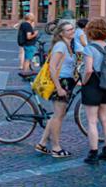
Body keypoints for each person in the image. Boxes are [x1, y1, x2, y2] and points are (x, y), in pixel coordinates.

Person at [35, 19, 78, 159]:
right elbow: (53, 68)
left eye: (73, 28)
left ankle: (42, 144)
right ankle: (56, 147)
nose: (73, 31)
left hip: (67, 81)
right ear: (61, 33)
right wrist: (59, 87)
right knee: (58, 117)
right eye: (69, 30)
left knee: (56, 115)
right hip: (61, 82)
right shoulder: (61, 46)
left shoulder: (68, 44)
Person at [81, 18, 106, 164]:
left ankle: (93, 153)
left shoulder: (89, 48)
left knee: (92, 121)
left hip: (94, 83)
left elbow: (88, 70)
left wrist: (83, 82)